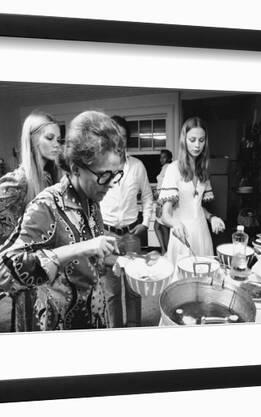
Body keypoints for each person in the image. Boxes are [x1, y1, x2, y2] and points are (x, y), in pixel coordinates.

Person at [0, 110, 126, 330]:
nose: (111, 183)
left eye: (116, 174)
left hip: (90, 315)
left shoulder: (91, 201)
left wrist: (116, 260)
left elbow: (85, 262)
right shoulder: (47, 204)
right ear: (76, 168)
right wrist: (82, 247)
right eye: (104, 175)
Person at [0, 110, 63, 244]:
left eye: (58, 139)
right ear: (33, 140)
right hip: (27, 258)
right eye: (50, 138)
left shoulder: (49, 176)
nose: (57, 144)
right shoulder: (19, 180)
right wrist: (22, 234)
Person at [100, 115, 153, 327]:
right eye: (114, 136)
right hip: (107, 236)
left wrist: (147, 222)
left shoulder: (138, 166)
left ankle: (133, 328)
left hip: (132, 236)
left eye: (122, 137)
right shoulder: (99, 166)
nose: (118, 142)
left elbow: (148, 197)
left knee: (134, 288)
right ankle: (115, 331)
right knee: (111, 291)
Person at [158, 117, 225, 270]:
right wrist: (175, 223)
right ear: (184, 140)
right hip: (182, 235)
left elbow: (196, 206)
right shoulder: (173, 169)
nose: (197, 145)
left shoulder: (203, 171)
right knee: (182, 284)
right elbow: (165, 213)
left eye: (201, 140)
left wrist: (211, 217)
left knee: (203, 280)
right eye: (192, 139)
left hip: (202, 232)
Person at [154, 149, 173, 254]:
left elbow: (165, 186)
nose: (161, 159)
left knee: (160, 227)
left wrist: (160, 204)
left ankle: (165, 250)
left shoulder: (168, 168)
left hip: (162, 202)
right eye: (160, 157)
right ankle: (165, 250)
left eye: (164, 157)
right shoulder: (165, 168)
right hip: (161, 201)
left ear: (169, 158)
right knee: (162, 227)